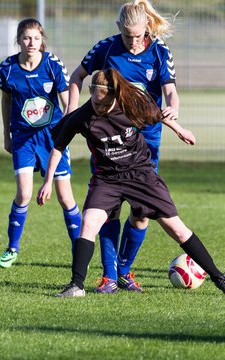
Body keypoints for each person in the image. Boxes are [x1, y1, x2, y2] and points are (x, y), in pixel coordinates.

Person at [37, 68, 225, 297]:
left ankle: (219, 278)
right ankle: (76, 285)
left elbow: (158, 115)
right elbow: (57, 147)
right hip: (107, 178)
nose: (100, 109)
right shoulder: (82, 116)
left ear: (115, 96)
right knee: (88, 222)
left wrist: (180, 129)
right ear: (91, 93)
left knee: (176, 228)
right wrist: (48, 181)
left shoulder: (132, 104)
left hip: (140, 175)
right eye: (96, 104)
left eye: (105, 106)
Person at [67, 0, 182, 292]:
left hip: (146, 142)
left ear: (147, 27)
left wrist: (173, 109)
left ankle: (125, 272)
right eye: (127, 35)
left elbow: (171, 91)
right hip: (108, 141)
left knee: (142, 213)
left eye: (138, 35)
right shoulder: (106, 48)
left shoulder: (158, 51)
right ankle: (108, 277)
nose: (133, 42)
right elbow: (77, 77)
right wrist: (71, 111)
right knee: (110, 208)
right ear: (119, 28)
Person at [0, 18, 81, 268]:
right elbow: (6, 101)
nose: (31, 43)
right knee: (23, 194)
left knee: (65, 197)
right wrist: (6, 134)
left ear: (41, 39)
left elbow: (68, 105)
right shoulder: (7, 69)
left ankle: (79, 251)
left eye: (35, 38)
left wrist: (66, 135)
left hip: (52, 138)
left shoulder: (53, 65)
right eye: (26, 38)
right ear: (18, 40)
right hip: (22, 137)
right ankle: (12, 249)